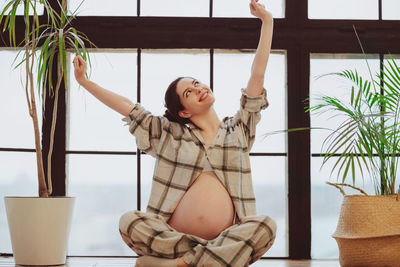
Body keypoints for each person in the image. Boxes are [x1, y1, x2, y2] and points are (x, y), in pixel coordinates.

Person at [73, 0, 275, 266]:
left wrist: (267, 21)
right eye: (189, 93)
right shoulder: (168, 134)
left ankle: (180, 264)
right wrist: (86, 83)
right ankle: (212, 259)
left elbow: (256, 77)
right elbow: (130, 109)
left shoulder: (239, 130)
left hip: (224, 237)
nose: (199, 88)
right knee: (129, 221)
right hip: (175, 238)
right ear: (184, 112)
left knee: (265, 226)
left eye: (196, 83)